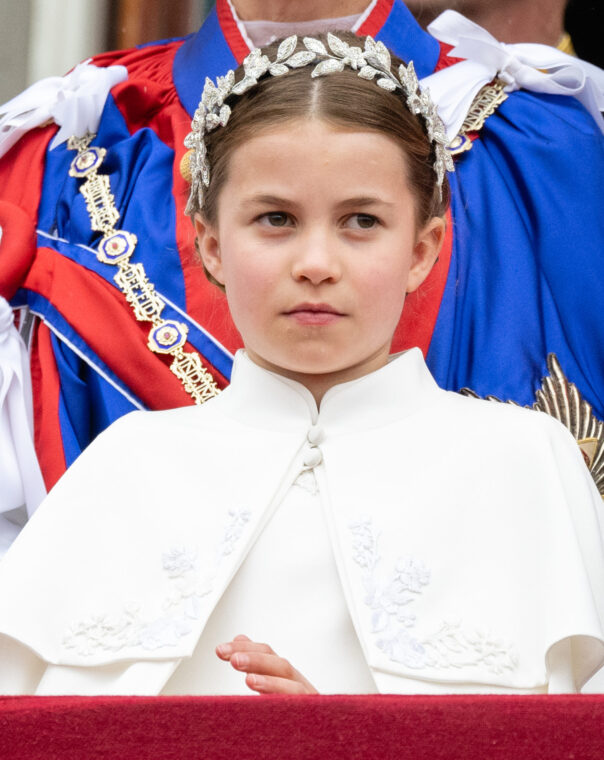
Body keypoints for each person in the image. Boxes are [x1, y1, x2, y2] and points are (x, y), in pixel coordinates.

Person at [0, 33, 602, 697]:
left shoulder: (526, 462)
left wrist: (343, 742)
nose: (316, 263)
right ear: (213, 245)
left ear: (423, 250)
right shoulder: (124, 466)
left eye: (362, 221)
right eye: (276, 218)